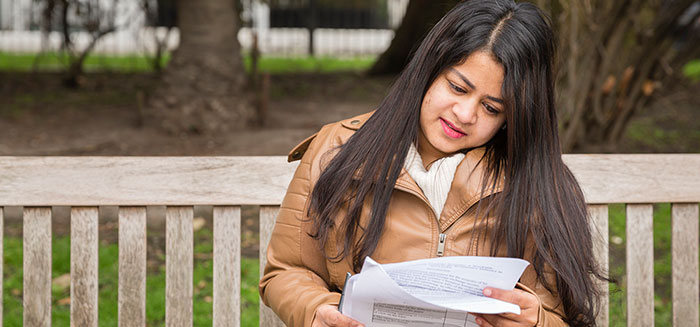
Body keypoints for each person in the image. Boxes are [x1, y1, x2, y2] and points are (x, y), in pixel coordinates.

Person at [259, 1, 607, 326]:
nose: (465, 114)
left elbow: (560, 312)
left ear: (513, 117)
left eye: (492, 108)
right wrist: (316, 309)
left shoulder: (536, 185)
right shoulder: (338, 149)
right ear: (428, 71)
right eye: (457, 87)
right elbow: (288, 269)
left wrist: (537, 321)